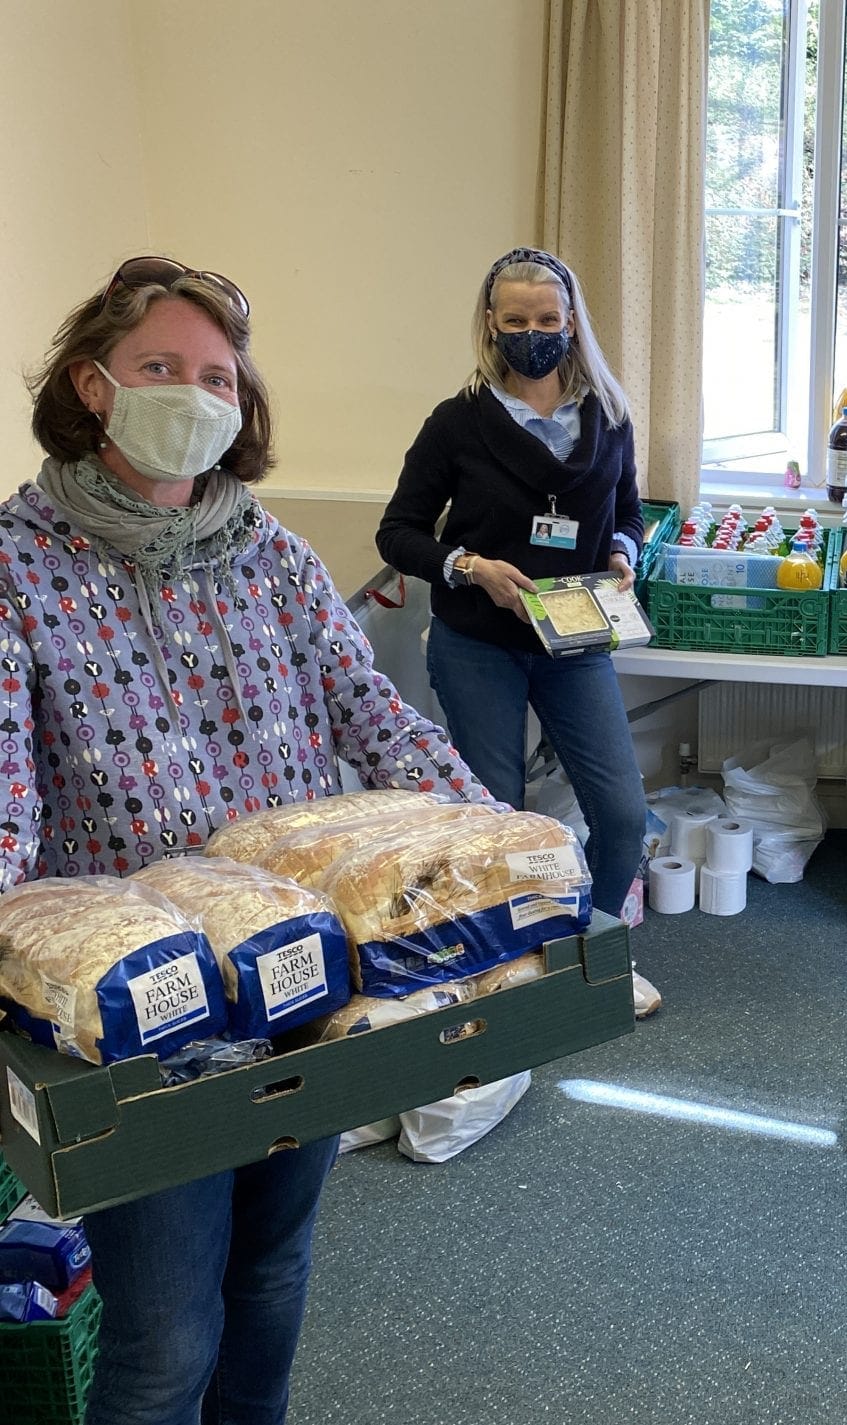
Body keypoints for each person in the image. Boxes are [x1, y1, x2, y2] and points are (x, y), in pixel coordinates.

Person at [10, 257, 489, 1424]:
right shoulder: (17, 565)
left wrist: (492, 843)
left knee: (271, 1274)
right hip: (137, 1012)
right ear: (92, 386)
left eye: (217, 376)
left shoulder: (268, 553)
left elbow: (371, 713)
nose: (194, 393)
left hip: (296, 975)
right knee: (165, 1340)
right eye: (160, 366)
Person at [376, 246, 658, 1013]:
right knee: (494, 819)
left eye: (547, 319)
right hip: (478, 644)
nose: (534, 334)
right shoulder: (458, 422)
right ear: (491, 324)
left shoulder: (608, 414)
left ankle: (592, 951)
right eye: (517, 320)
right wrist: (470, 567)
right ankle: (503, 966)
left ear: (572, 323)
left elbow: (628, 511)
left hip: (573, 642)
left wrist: (623, 551)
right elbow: (397, 533)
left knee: (623, 814)